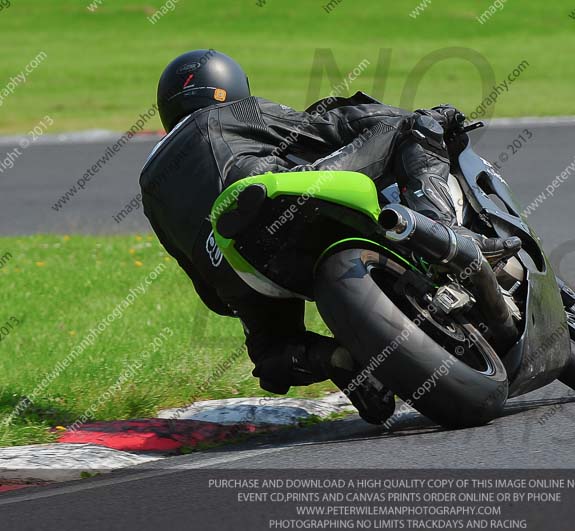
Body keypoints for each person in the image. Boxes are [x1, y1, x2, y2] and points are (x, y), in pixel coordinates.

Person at [140, 49, 519, 425]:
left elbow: (207, 291)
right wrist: (424, 119)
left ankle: (341, 360)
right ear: (229, 85)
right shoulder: (229, 114)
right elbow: (322, 129)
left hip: (239, 269)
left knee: (272, 355)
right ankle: (447, 230)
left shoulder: (151, 186)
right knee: (408, 127)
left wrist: (239, 293)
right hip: (280, 202)